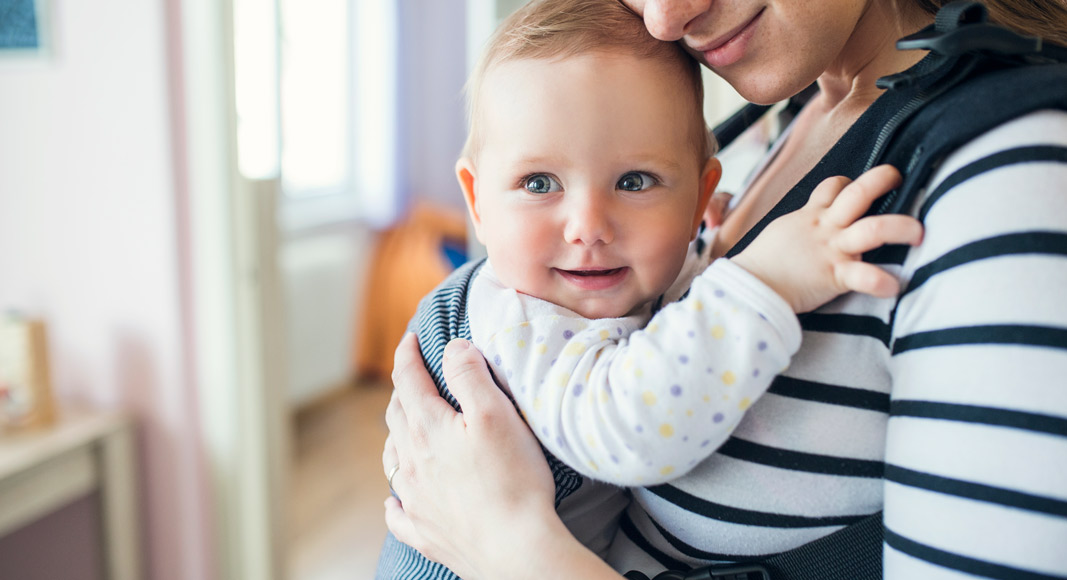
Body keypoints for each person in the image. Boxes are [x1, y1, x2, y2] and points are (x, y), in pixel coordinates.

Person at [382, 0, 1067, 578]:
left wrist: (509, 547)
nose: (665, 16)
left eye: (633, 182)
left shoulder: (1008, 179)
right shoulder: (781, 126)